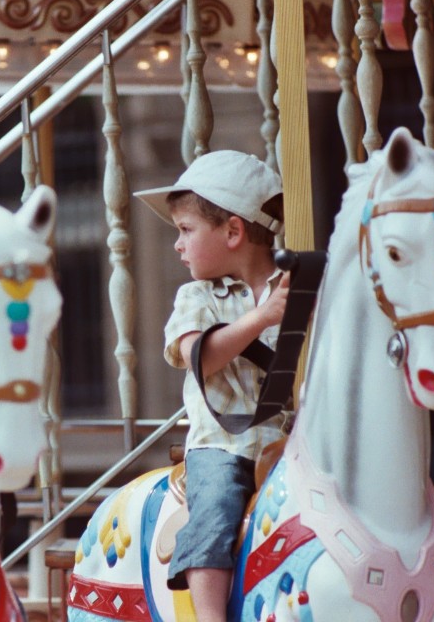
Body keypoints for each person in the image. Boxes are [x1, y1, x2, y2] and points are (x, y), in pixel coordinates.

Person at [134, 150, 289, 620]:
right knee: (215, 508)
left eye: (186, 230)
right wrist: (261, 318)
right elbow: (197, 357)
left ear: (234, 232)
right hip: (225, 446)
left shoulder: (294, 288)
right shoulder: (198, 296)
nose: (177, 245)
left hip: (292, 441)